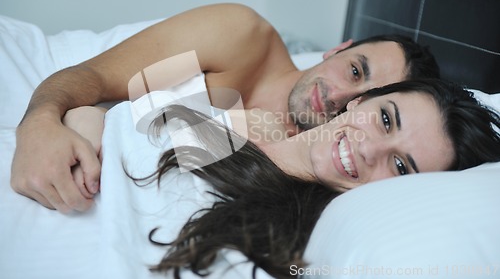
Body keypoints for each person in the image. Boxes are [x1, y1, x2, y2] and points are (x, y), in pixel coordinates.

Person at [11, 3, 440, 212]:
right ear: (338, 49)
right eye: (354, 70)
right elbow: (90, 79)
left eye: (367, 98)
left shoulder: (322, 170)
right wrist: (37, 122)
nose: (339, 97)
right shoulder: (244, 38)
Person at [63, 78, 500, 278]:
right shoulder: (232, 119)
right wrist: (78, 126)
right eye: (385, 119)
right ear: (360, 100)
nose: (369, 149)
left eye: (402, 167)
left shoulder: (291, 250)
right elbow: (106, 110)